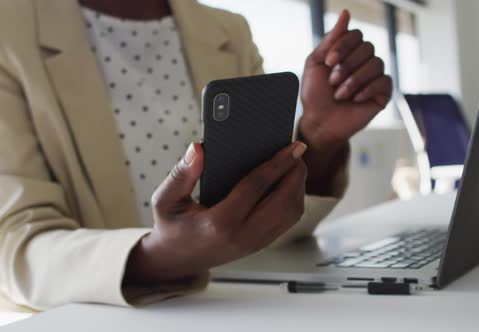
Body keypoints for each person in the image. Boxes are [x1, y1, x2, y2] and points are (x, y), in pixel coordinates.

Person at [0, 0, 393, 311]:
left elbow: (263, 221)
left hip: (237, 310)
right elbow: (15, 244)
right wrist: (156, 257)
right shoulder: (10, 29)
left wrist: (318, 140)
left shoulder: (229, 32)